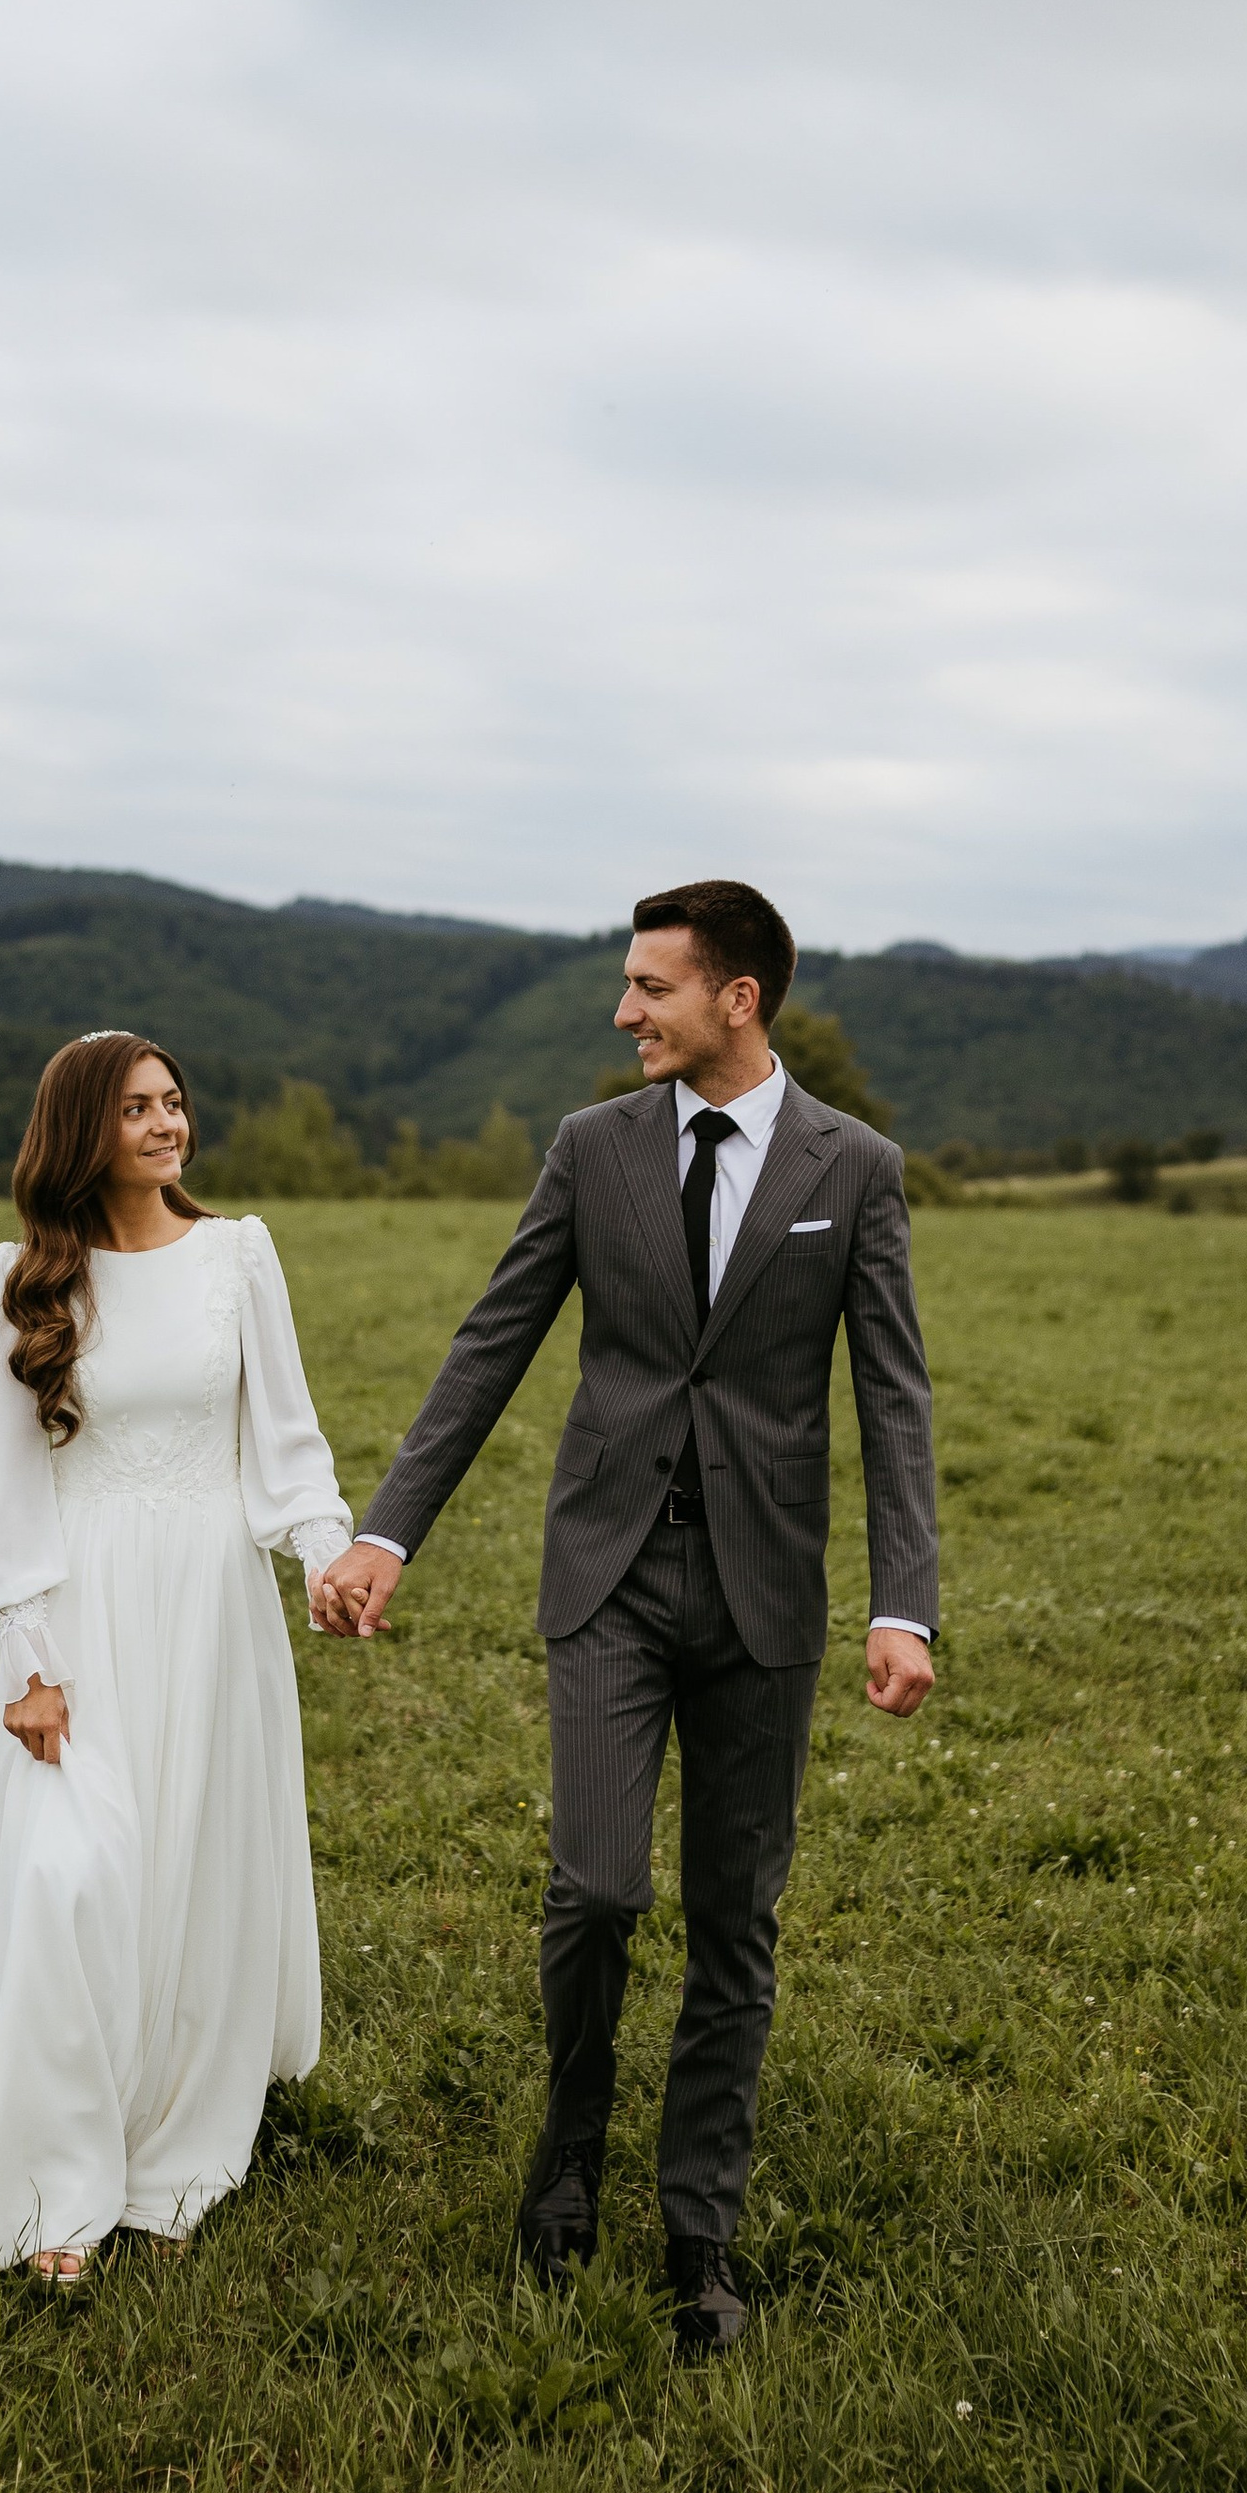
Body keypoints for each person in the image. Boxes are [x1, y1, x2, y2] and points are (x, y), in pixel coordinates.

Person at [313, 881, 938, 2359]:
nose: (623, 1011)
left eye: (650, 986)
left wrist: (902, 1604)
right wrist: (390, 1527)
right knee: (598, 1889)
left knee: (738, 1919)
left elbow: (893, 1400)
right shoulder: (591, 1152)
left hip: (765, 1594)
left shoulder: (856, 1169)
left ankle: (702, 2230)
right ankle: (569, 2154)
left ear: (739, 999)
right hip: (607, 1576)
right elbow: (493, 1342)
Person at [0, 1030, 353, 2281]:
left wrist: (326, 1553)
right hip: (80, 1618)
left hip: (213, 1610)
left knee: (185, 1866)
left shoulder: (240, 1254)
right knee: (71, 1876)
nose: (167, 1123)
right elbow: (0, 1479)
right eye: (136, 1108)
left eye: (175, 1101)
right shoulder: (27, 1278)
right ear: (84, 1128)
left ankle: (168, 2115)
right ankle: (53, 2193)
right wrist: (30, 1659)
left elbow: (284, 1441)